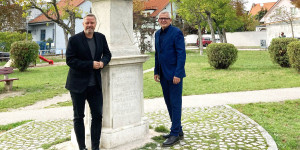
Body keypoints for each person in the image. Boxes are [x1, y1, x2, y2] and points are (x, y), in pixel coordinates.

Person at [65, 13, 111, 150]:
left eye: (92, 23)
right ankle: (82, 147)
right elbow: (70, 60)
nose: (89, 25)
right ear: (83, 24)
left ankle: (95, 147)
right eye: (87, 23)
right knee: (79, 117)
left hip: (95, 85)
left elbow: (108, 54)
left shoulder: (101, 38)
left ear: (95, 24)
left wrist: (102, 63)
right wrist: (90, 64)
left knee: (97, 116)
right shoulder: (74, 39)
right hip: (77, 85)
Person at [154, 11, 186, 147]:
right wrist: (156, 71)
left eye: (165, 18)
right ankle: (177, 130)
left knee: (175, 104)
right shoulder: (157, 34)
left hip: (174, 75)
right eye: (161, 18)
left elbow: (181, 54)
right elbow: (157, 54)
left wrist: (178, 73)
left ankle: (174, 135)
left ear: (170, 20)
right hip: (163, 75)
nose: (163, 20)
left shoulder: (176, 33)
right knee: (168, 103)